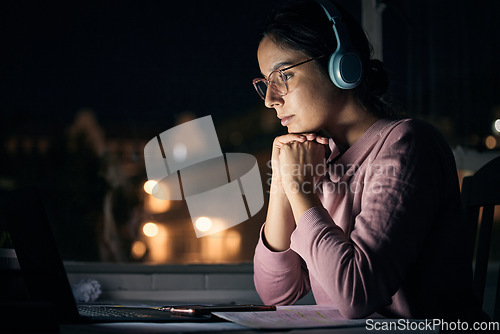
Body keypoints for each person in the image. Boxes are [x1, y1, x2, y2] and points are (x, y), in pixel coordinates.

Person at [252, 0, 484, 320]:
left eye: (284, 75)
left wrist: (298, 188)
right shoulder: (317, 158)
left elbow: (357, 295)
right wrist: (282, 180)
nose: (270, 99)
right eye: (266, 81)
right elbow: (277, 293)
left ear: (340, 65)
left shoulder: (408, 144)